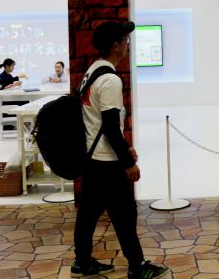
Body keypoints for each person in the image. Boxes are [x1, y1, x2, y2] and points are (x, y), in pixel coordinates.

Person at [72, 20, 169, 279]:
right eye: (126, 41)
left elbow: (98, 123)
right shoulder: (110, 80)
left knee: (88, 214)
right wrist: (128, 163)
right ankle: (137, 266)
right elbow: (110, 128)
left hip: (92, 159)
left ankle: (82, 263)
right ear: (115, 46)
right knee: (125, 214)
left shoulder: (92, 71)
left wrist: (126, 147)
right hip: (108, 162)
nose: (128, 45)